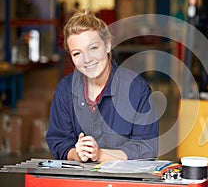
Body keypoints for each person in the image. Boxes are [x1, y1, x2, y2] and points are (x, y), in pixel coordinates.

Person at [46, 9, 158, 162]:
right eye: (77, 53)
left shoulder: (137, 90)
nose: (87, 59)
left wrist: (100, 155)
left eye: (93, 48)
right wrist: (76, 154)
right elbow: (58, 141)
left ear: (107, 45)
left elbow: (147, 148)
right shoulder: (65, 90)